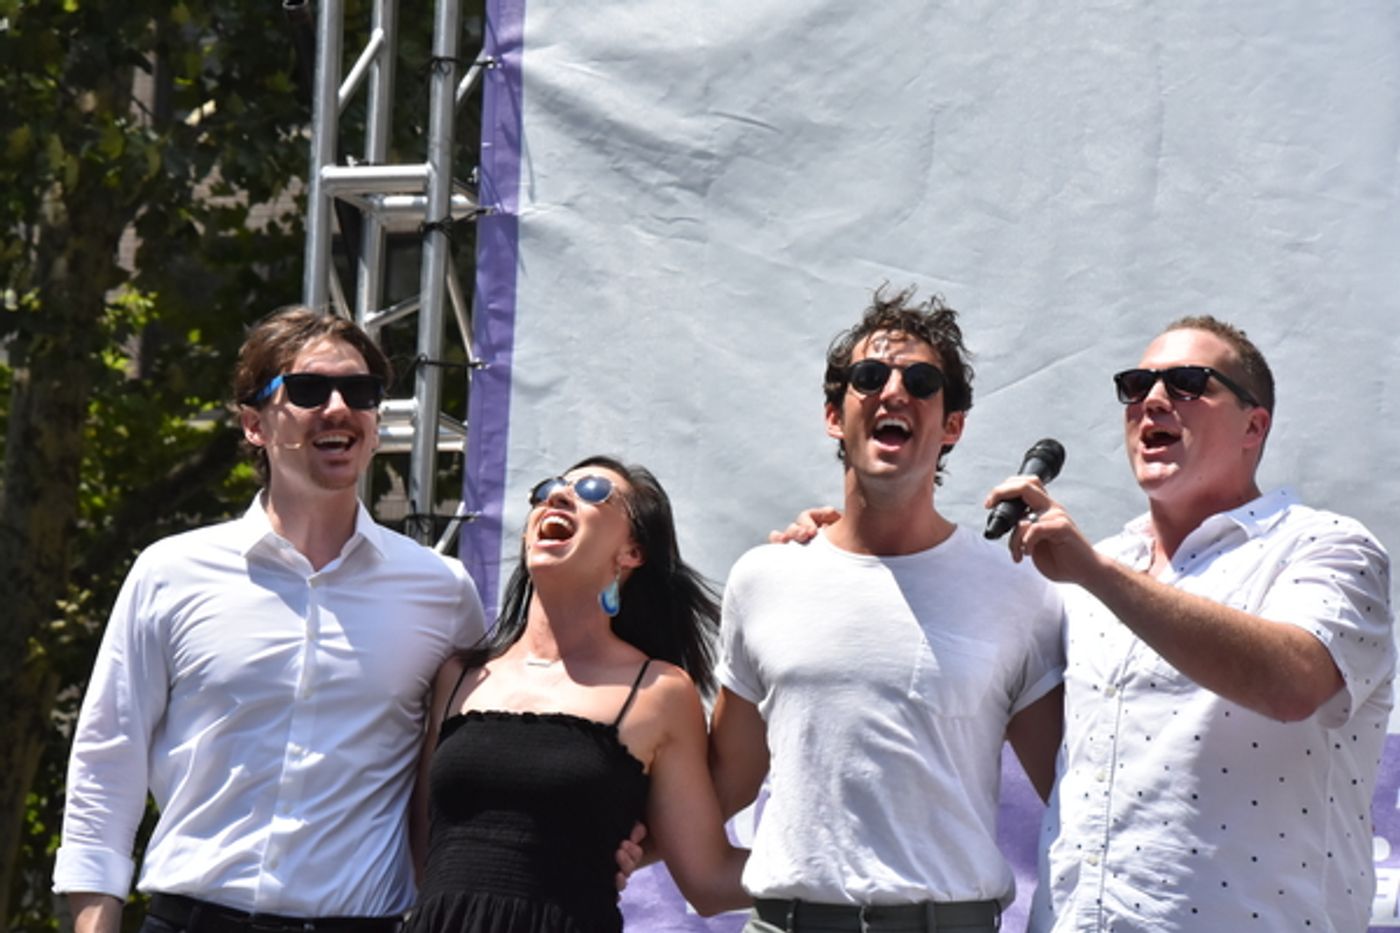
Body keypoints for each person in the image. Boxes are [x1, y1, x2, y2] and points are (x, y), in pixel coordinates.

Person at [53, 307, 488, 933]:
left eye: (361, 392)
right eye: (309, 391)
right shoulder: (170, 571)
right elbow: (107, 756)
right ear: (254, 424)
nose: (338, 408)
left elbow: (476, 768)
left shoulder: (441, 592)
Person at [984, 316, 1395, 931]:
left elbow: (1291, 684)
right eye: (1136, 385)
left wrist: (1096, 574)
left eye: (1186, 383)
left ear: (1254, 425)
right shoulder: (1097, 571)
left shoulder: (1325, 546)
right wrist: (834, 548)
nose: (1152, 400)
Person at [708, 286, 1066, 933]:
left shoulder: (1020, 589)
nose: (893, 391)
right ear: (832, 414)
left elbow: (1073, 792)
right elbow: (722, 784)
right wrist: (609, 838)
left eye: (922, 380)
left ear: (952, 424)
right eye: (869, 376)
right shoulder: (763, 578)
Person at [404, 454, 749, 933]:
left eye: (591, 491)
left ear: (632, 552)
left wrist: (846, 867)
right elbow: (424, 855)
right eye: (547, 489)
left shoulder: (657, 692)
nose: (557, 496)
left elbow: (709, 881)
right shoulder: (459, 676)